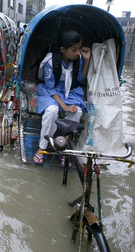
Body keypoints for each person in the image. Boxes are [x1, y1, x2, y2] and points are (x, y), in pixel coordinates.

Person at [33, 30, 91, 166]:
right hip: (50, 91)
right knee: (52, 111)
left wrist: (87, 60)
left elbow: (80, 79)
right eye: (74, 50)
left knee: (76, 111)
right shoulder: (50, 61)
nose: (78, 53)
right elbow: (50, 87)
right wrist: (63, 106)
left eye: (79, 49)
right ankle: (42, 148)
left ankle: (63, 147)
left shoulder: (79, 59)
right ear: (63, 49)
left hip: (70, 92)